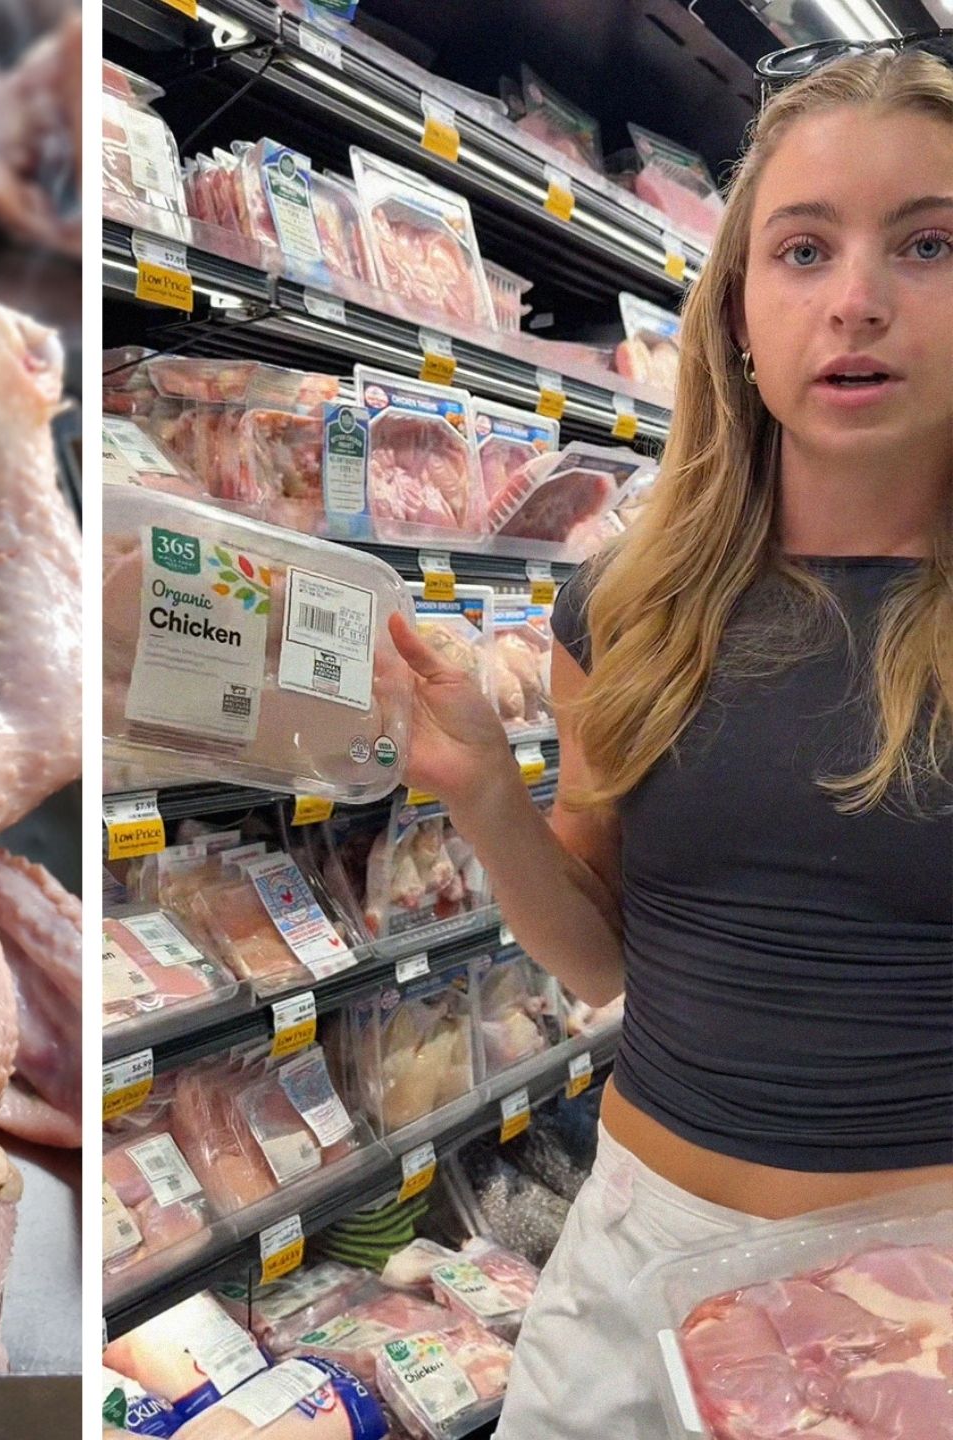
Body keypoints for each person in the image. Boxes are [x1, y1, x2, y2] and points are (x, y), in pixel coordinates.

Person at [381, 41, 953, 1440]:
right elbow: (598, 954)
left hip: (919, 1298)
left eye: (929, 245)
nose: (859, 301)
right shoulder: (629, 607)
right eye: (804, 250)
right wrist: (472, 784)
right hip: (632, 1260)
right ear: (742, 315)